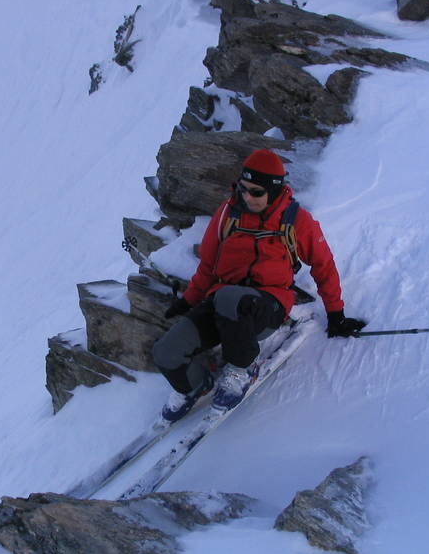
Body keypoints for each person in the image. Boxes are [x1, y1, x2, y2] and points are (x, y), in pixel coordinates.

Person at [152, 149, 365, 422]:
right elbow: (208, 265)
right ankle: (195, 386)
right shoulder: (228, 214)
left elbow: (324, 266)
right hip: (222, 305)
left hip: (266, 307)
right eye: (243, 189)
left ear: (274, 191)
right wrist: (189, 300)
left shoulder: (296, 221)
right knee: (166, 352)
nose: (246, 197)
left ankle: (242, 368)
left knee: (231, 298)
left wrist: (336, 315)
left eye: (256, 192)